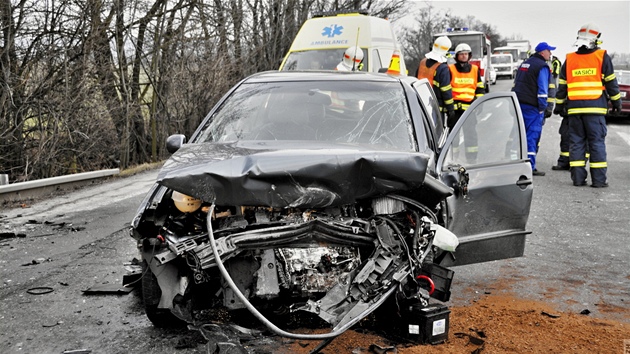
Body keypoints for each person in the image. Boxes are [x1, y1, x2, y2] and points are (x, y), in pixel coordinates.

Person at [554, 23, 621, 187]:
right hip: (595, 109)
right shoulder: (601, 56)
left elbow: (562, 86)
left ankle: (578, 179)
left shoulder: (569, 59)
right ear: (595, 40)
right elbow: (611, 82)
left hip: (575, 110)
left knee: (576, 143)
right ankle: (598, 181)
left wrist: (559, 106)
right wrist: (616, 102)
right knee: (596, 143)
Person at [512, 41, 555, 176]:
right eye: (549, 51)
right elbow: (542, 90)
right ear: (542, 52)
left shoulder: (524, 64)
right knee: (532, 136)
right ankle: (529, 167)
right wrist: (543, 108)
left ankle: (516, 165)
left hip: (519, 104)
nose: (551, 53)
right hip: (533, 107)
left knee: (519, 135)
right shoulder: (542, 66)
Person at [448, 43, 484, 161]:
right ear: (457, 56)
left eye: (466, 54)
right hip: (455, 110)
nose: (464, 56)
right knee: (454, 137)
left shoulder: (475, 69)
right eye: (461, 54)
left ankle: (472, 159)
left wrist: (480, 103)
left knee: (471, 136)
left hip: (470, 110)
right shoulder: (451, 69)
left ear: (469, 55)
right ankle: (453, 159)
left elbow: (479, 87)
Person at [415, 36, 454, 124]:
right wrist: (450, 109)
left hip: (420, 104)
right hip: (435, 108)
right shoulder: (442, 68)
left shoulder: (422, 62)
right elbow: (446, 90)